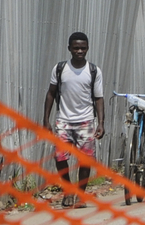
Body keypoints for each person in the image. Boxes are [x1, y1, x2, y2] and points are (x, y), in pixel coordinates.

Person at [42, 32, 105, 208]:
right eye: (76, 48)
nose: (79, 51)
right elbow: (51, 94)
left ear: (88, 48)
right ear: (69, 48)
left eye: (83, 48)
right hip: (63, 121)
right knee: (60, 157)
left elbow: (99, 98)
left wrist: (101, 122)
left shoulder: (93, 71)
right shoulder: (60, 68)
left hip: (86, 121)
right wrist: (45, 120)